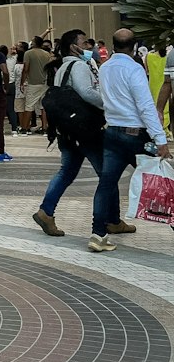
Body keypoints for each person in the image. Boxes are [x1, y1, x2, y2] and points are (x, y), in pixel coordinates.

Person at [92, 29, 170, 253]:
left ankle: (98, 234)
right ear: (135, 47)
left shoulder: (104, 68)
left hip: (112, 133)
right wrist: (160, 139)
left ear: (113, 45)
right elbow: (145, 106)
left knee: (106, 185)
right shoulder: (134, 69)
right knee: (161, 181)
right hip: (136, 136)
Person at [33, 30, 103, 237]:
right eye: (84, 42)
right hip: (84, 129)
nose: (89, 45)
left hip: (68, 129)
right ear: (74, 46)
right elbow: (87, 92)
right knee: (106, 174)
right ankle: (109, 220)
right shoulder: (79, 66)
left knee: (67, 171)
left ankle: (46, 212)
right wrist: (108, 103)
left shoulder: (63, 67)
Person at [18, 36, 54, 135]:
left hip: (33, 83)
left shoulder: (28, 53)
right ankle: (45, 128)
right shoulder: (46, 54)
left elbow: (26, 69)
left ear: (34, 43)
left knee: (29, 106)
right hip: (45, 82)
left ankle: (24, 128)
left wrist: (22, 82)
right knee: (43, 107)